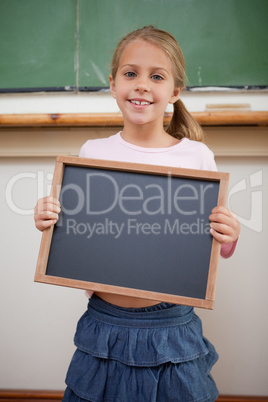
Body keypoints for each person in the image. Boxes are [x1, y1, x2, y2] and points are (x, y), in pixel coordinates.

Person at [34, 26, 240, 402]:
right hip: (104, 323)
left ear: (175, 92)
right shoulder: (92, 153)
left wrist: (230, 236)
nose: (142, 85)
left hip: (170, 326)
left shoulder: (196, 157)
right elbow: (77, 236)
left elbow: (213, 247)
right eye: (131, 74)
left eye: (156, 76)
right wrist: (49, 220)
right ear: (113, 84)